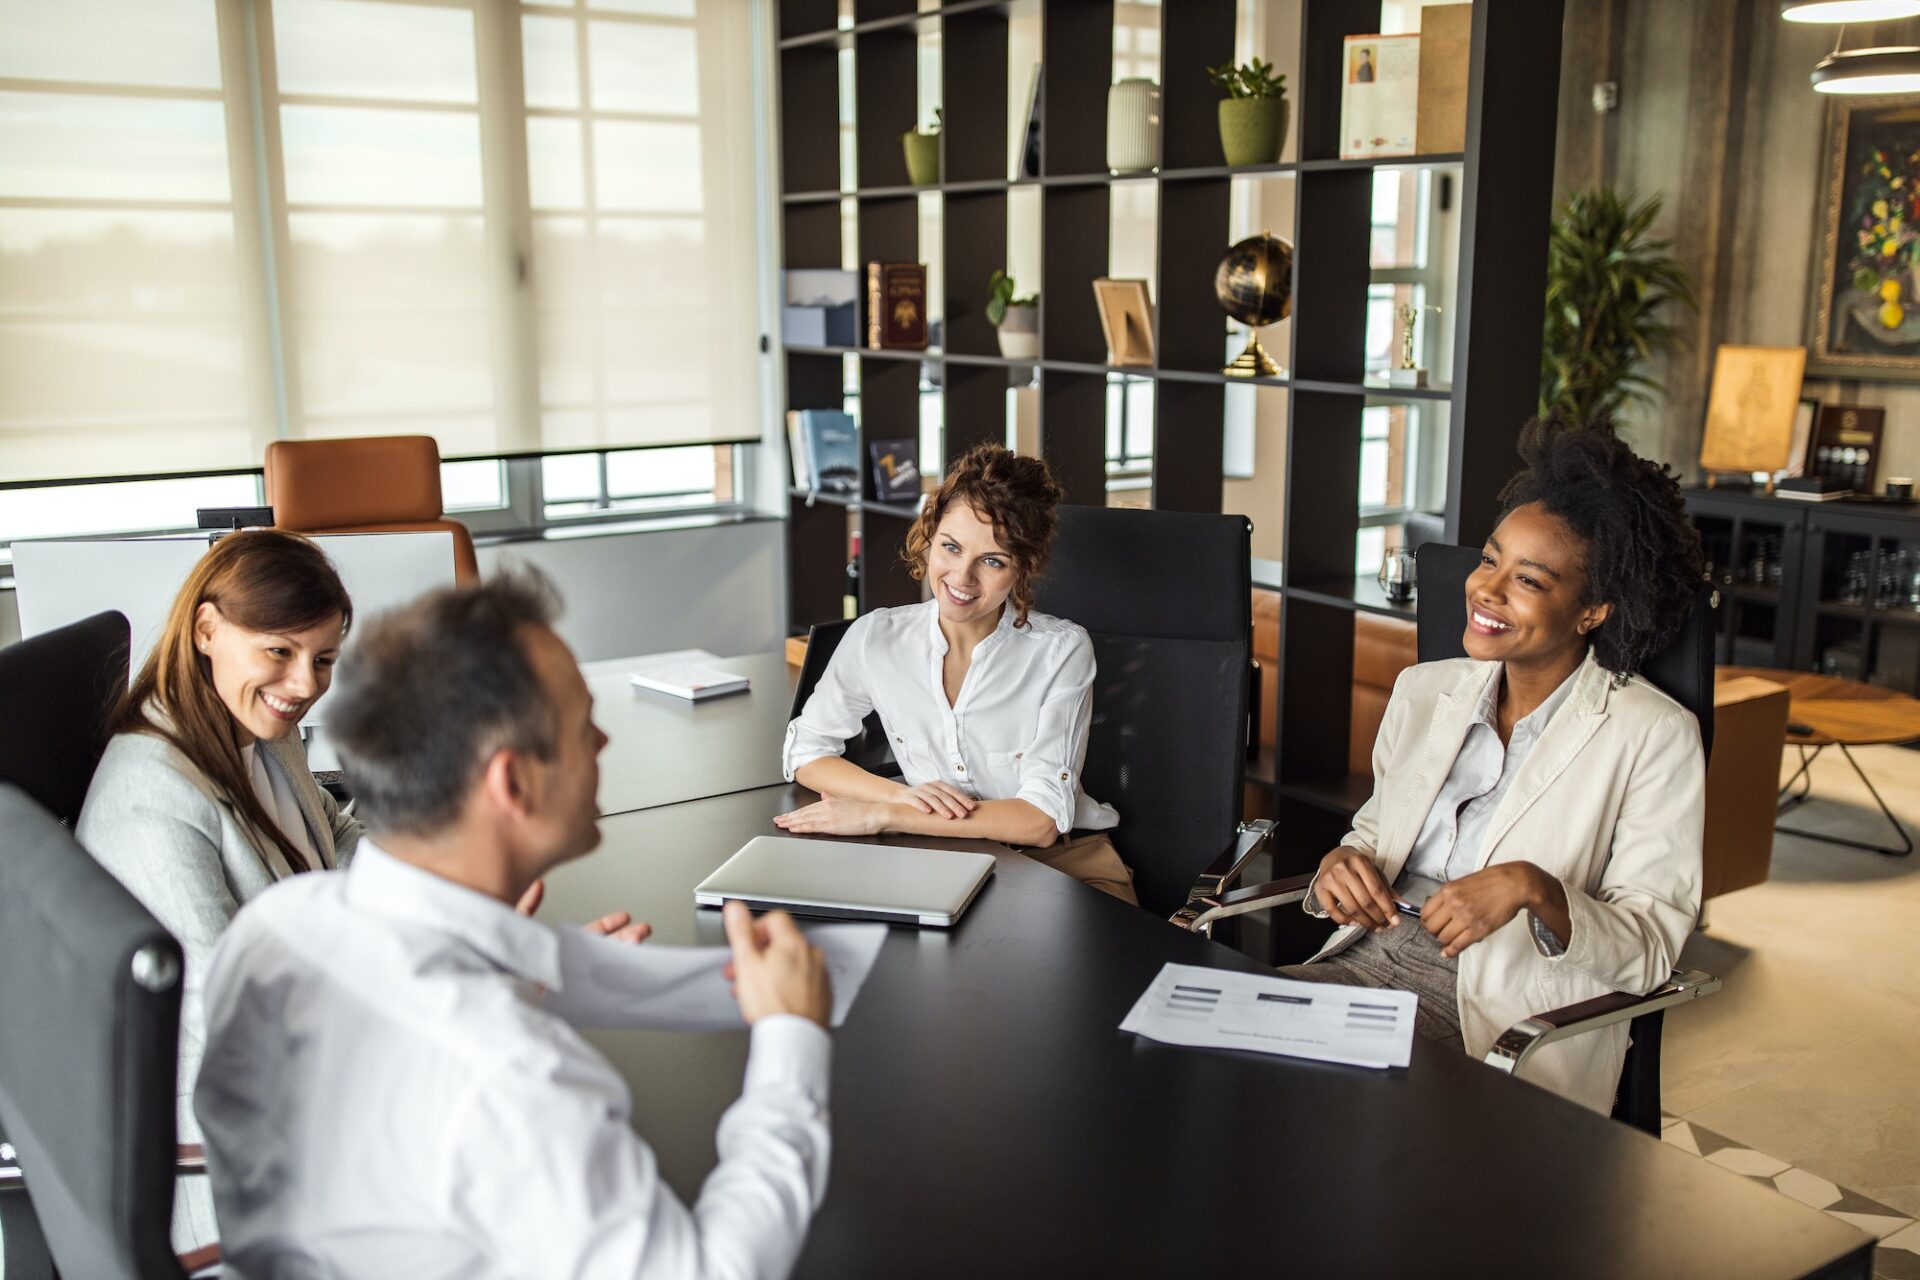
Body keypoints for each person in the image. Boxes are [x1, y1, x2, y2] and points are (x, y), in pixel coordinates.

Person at [193, 570, 835, 1278]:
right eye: (581, 727)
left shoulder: (279, 924)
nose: (602, 744)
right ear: (511, 782)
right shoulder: (511, 1076)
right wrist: (790, 1043)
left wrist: (499, 984)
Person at [1282, 419, 1706, 1113]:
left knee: (1282, 1107)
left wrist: (1535, 889)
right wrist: (1340, 863)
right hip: (1358, 966)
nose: (1486, 589)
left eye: (1529, 579)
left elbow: (1650, 950)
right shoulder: (1426, 691)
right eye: (1490, 560)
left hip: (1495, 1016)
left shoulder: (1653, 736)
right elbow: (1371, 834)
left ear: (1593, 610)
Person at [77, 528, 358, 1250]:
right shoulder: (152, 800)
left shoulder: (258, 728)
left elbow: (330, 839)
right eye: (280, 651)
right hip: (248, 1167)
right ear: (207, 629)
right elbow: (237, 1022)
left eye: (324, 659)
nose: (305, 684)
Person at [777, 442, 1136, 905]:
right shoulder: (877, 638)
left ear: (1023, 568)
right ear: (929, 538)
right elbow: (806, 751)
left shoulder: (1061, 651)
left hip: (1062, 869)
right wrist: (898, 796)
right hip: (938, 859)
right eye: (950, 547)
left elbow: (1040, 821)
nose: (962, 578)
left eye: (992, 561)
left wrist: (882, 815)